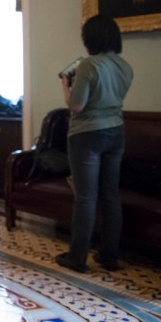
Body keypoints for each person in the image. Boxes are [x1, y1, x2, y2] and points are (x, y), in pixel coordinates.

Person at [55, 14, 133, 273]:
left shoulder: (89, 65)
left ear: (90, 39)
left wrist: (66, 85)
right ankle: (109, 256)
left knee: (86, 198)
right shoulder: (124, 66)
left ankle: (77, 258)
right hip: (116, 131)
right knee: (111, 195)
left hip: (87, 134)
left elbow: (76, 105)